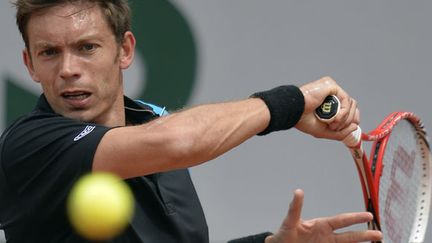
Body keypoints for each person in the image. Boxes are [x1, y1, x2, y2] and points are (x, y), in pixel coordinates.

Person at [0, 0, 382, 242]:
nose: (68, 69)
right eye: (49, 52)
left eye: (86, 47)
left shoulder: (152, 125)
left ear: (125, 50)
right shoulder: (29, 145)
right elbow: (177, 141)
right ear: (30, 65)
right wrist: (291, 103)